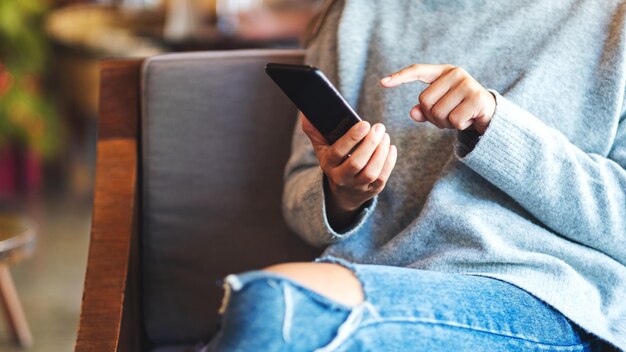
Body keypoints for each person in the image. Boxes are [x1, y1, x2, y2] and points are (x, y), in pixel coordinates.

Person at [203, 0, 626, 350]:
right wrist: (342, 194)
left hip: (544, 298)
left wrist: (496, 124)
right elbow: (299, 197)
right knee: (269, 305)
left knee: (274, 304)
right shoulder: (354, 13)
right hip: (383, 277)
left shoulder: (613, 20)